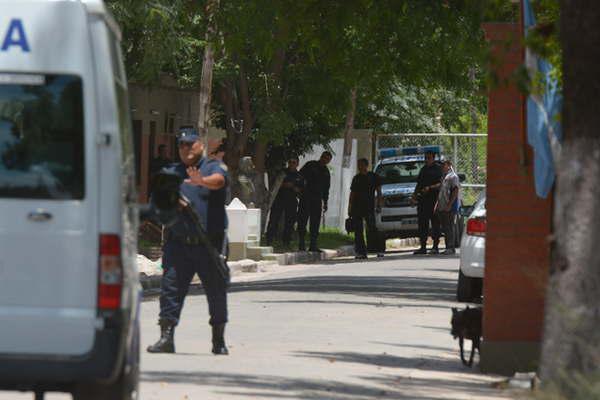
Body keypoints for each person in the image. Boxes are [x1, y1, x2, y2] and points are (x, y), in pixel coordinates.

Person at [147, 129, 230, 356]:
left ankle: (218, 340)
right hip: (178, 243)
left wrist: (200, 181)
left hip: (209, 243)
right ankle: (166, 338)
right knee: (170, 289)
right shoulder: (170, 172)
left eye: (190, 144)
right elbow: (156, 204)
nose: (186, 148)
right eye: (182, 144)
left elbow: (219, 181)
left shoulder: (212, 167)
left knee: (216, 290)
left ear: (200, 144)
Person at [348, 158, 385, 259]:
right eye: (358, 164)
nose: (359, 167)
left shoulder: (373, 177)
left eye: (361, 164)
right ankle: (361, 252)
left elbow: (379, 192)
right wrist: (349, 207)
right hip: (357, 207)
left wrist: (379, 205)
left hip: (369, 206)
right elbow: (352, 194)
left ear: (366, 165)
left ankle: (379, 249)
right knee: (358, 231)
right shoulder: (356, 178)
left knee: (372, 228)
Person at [297, 151, 332, 251]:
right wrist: (300, 190)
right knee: (302, 220)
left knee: (315, 222)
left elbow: (326, 189)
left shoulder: (326, 172)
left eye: (328, 160)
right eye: (325, 158)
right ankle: (302, 243)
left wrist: (325, 202)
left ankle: (313, 244)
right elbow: (300, 176)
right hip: (306, 197)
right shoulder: (311, 165)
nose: (326, 161)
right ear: (321, 157)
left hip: (317, 199)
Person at [266, 157, 304, 246]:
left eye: (294, 162)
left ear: (297, 164)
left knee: (290, 222)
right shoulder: (282, 173)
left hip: (291, 200)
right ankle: (269, 239)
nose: (292, 164)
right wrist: (284, 184)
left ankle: (286, 241)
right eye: (290, 162)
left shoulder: (299, 176)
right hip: (279, 199)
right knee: (274, 219)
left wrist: (294, 188)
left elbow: (301, 190)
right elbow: (275, 184)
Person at [411, 150, 443, 255]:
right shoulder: (423, 169)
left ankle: (435, 246)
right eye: (425, 158)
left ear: (433, 158)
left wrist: (430, 188)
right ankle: (423, 247)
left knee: (435, 224)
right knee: (422, 224)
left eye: (428, 158)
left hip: (434, 200)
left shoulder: (438, 169)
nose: (426, 160)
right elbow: (419, 184)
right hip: (423, 201)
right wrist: (414, 196)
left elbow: (441, 183)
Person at [436, 160, 460, 255]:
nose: (442, 167)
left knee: (449, 226)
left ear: (449, 165)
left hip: (450, 206)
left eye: (443, 165)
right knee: (445, 227)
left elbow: (455, 191)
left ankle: (450, 247)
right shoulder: (444, 176)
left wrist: (449, 205)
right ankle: (448, 247)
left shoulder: (453, 177)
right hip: (443, 206)